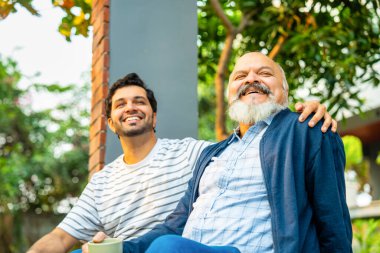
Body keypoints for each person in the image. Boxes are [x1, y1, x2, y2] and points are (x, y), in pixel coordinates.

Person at [27, 72, 336, 253]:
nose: (131, 108)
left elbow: (249, 149)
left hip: (179, 248)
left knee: (167, 247)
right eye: (121, 104)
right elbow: (61, 236)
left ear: (154, 115)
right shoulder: (102, 183)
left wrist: (307, 114)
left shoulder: (194, 154)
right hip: (134, 248)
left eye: (140, 101)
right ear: (110, 122)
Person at [121, 52, 352, 253]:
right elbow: (174, 226)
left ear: (284, 91)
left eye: (264, 73)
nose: (251, 79)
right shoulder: (212, 153)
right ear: (229, 93)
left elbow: (333, 222)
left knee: (169, 248)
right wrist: (119, 248)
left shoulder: (308, 130)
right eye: (241, 76)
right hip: (185, 248)